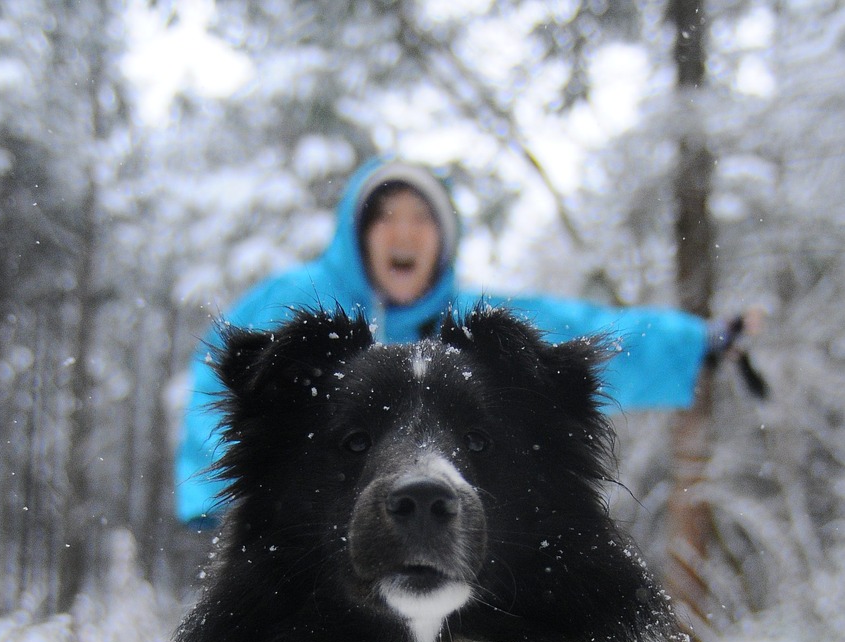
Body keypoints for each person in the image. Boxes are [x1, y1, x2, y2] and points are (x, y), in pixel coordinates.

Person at [176, 155, 751, 524]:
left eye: (422, 219)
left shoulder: (473, 328)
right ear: (359, 233)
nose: (404, 233)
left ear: (443, 241)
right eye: (386, 217)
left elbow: (585, 338)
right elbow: (226, 382)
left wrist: (697, 341)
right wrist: (221, 493)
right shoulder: (296, 303)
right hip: (307, 537)